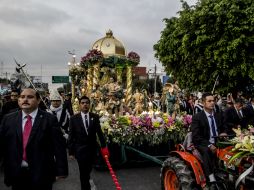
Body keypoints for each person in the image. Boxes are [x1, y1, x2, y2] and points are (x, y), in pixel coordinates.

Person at [0, 88, 68, 190]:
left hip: (42, 173)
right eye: (22, 97)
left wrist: (61, 170)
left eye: (30, 97)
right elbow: (2, 145)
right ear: (19, 100)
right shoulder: (8, 119)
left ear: (38, 100)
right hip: (17, 173)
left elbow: (59, 146)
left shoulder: (49, 119)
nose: (25, 100)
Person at [68, 95, 109, 190]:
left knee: (88, 169)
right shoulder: (73, 119)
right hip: (80, 150)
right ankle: (85, 187)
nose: (85, 104)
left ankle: (87, 181)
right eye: (82, 103)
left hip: (92, 149)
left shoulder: (95, 117)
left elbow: (99, 133)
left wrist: (104, 147)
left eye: (87, 103)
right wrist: (71, 152)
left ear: (89, 105)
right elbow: (71, 136)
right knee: (83, 172)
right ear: (79, 105)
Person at [191, 92, 226, 190]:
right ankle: (211, 178)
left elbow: (224, 127)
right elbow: (196, 137)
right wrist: (209, 145)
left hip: (218, 141)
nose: (212, 103)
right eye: (209, 101)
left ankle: (227, 174)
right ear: (203, 103)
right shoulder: (197, 117)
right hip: (203, 143)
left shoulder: (218, 115)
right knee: (207, 151)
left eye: (213, 100)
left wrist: (224, 132)